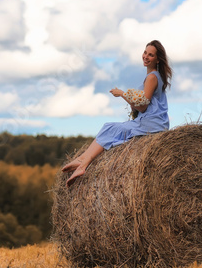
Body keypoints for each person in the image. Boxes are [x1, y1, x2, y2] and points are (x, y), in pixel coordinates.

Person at [62, 40, 172, 187]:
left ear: (157, 59)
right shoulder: (154, 76)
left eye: (151, 55)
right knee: (110, 128)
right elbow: (142, 105)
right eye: (145, 52)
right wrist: (132, 103)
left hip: (151, 124)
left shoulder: (152, 77)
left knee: (109, 128)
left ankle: (83, 163)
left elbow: (143, 106)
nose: (146, 56)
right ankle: (82, 159)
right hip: (153, 122)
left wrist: (122, 94)